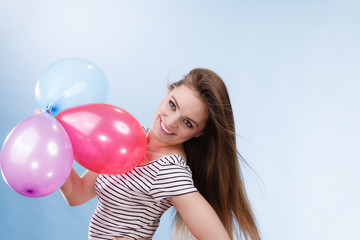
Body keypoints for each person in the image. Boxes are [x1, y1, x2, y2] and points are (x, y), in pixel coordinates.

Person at [59, 68, 261, 240]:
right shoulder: (130, 136)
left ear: (199, 133)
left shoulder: (169, 170)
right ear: (167, 92)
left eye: (187, 123)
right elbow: (78, 193)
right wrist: (55, 142)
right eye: (172, 105)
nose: (171, 122)